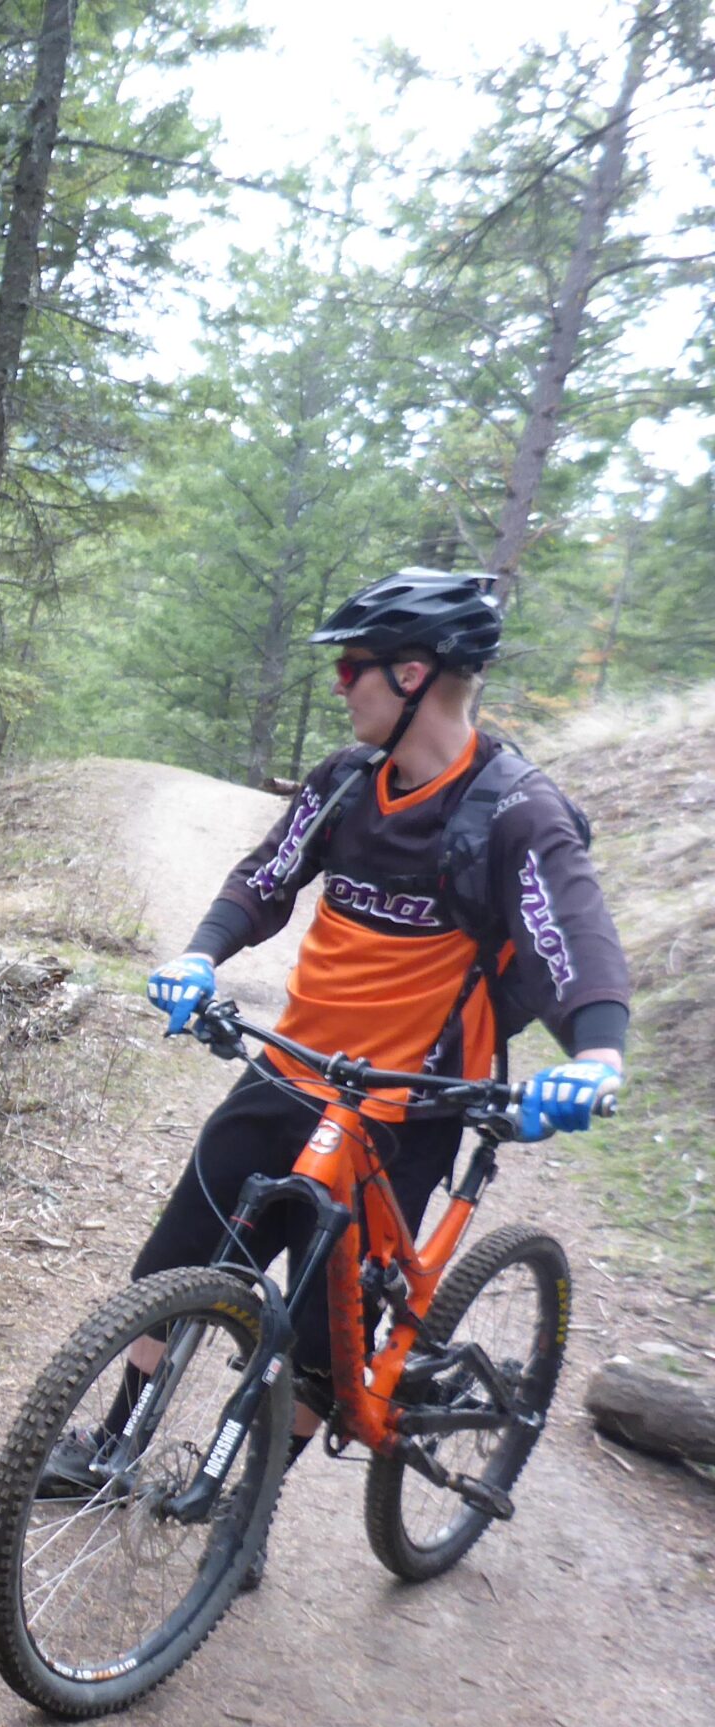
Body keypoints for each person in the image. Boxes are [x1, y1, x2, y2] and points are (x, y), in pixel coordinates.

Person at [52, 569, 632, 1582]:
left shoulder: (515, 814)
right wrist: (201, 953)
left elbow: (571, 939)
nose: (340, 686)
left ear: (413, 674)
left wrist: (595, 1056)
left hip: (409, 1111)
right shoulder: (343, 780)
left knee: (329, 1330)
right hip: (292, 1069)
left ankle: (248, 1515)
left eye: (352, 667)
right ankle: (115, 1442)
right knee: (179, 1255)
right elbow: (266, 878)